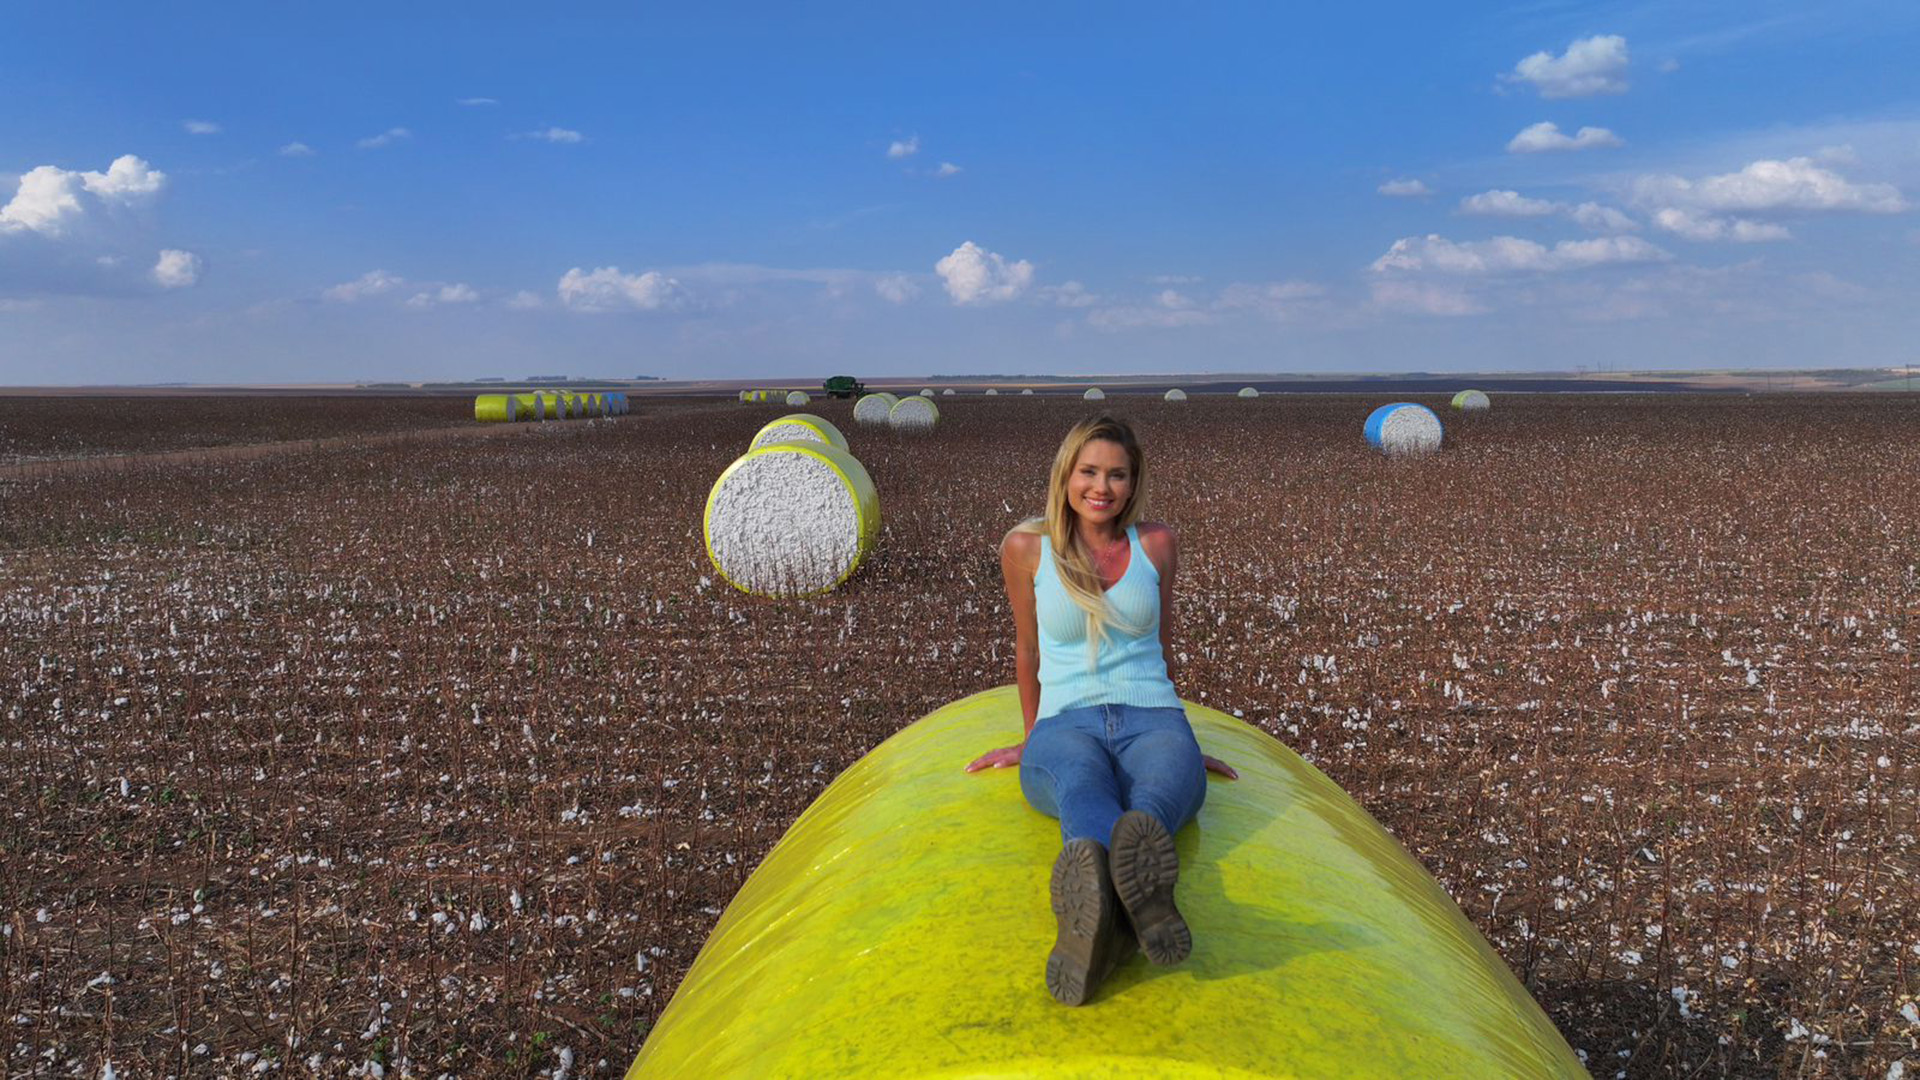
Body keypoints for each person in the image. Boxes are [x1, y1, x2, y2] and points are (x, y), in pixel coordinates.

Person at [967, 413, 1236, 1006]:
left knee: (1157, 796)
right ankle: (1112, 903)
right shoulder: (1026, 549)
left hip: (1153, 716)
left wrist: (1187, 747)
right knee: (1081, 783)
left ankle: (1099, 926)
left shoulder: (1156, 545)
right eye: (1089, 471)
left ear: (1133, 482)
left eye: (1117, 474)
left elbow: (1163, 646)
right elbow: (1029, 647)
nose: (1102, 487)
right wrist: (1030, 737)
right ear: (1066, 474)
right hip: (1068, 720)